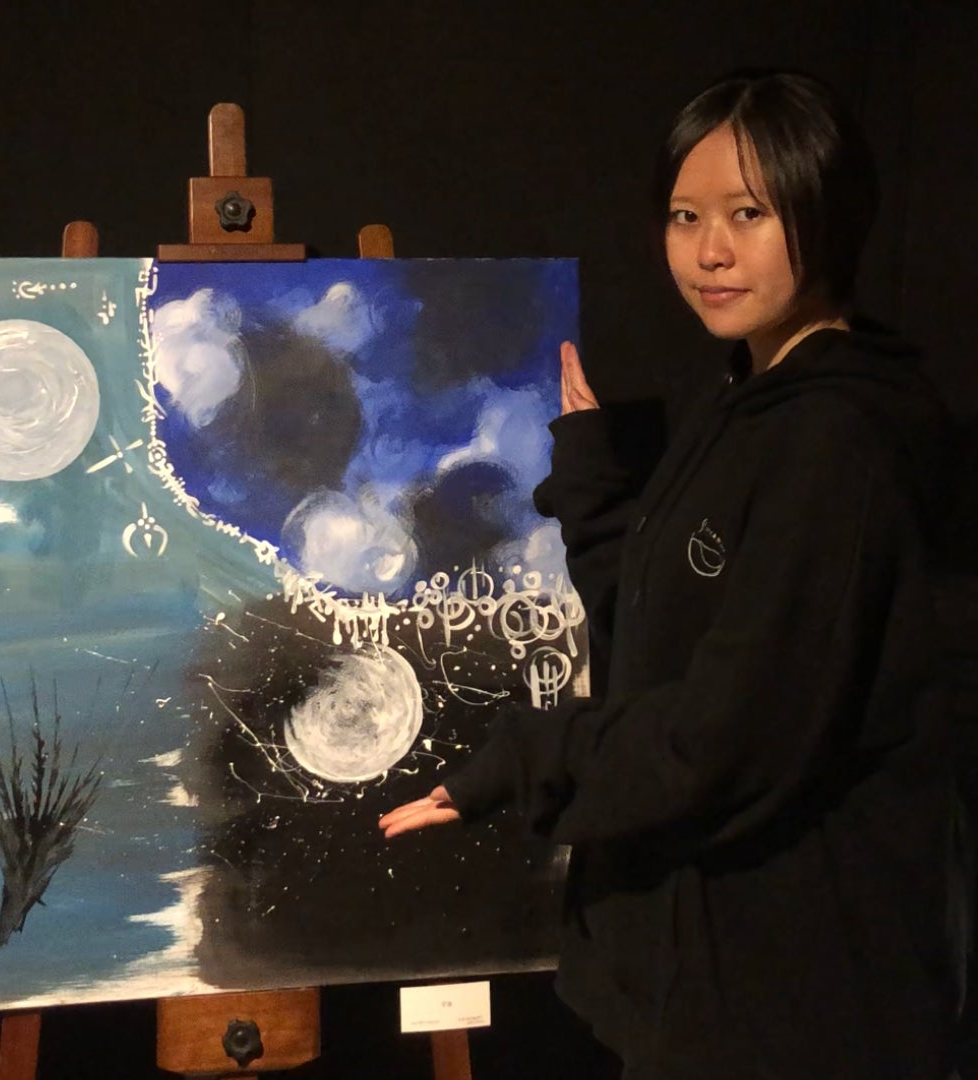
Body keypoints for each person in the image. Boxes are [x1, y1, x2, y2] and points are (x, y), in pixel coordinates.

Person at [379, 68, 971, 1080]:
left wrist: (528, 757)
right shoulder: (747, 397)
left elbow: (723, 740)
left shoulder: (839, 442)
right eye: (685, 215)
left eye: (749, 213)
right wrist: (593, 488)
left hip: (799, 1010)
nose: (708, 251)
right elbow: (662, 640)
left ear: (829, 214)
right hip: (711, 985)